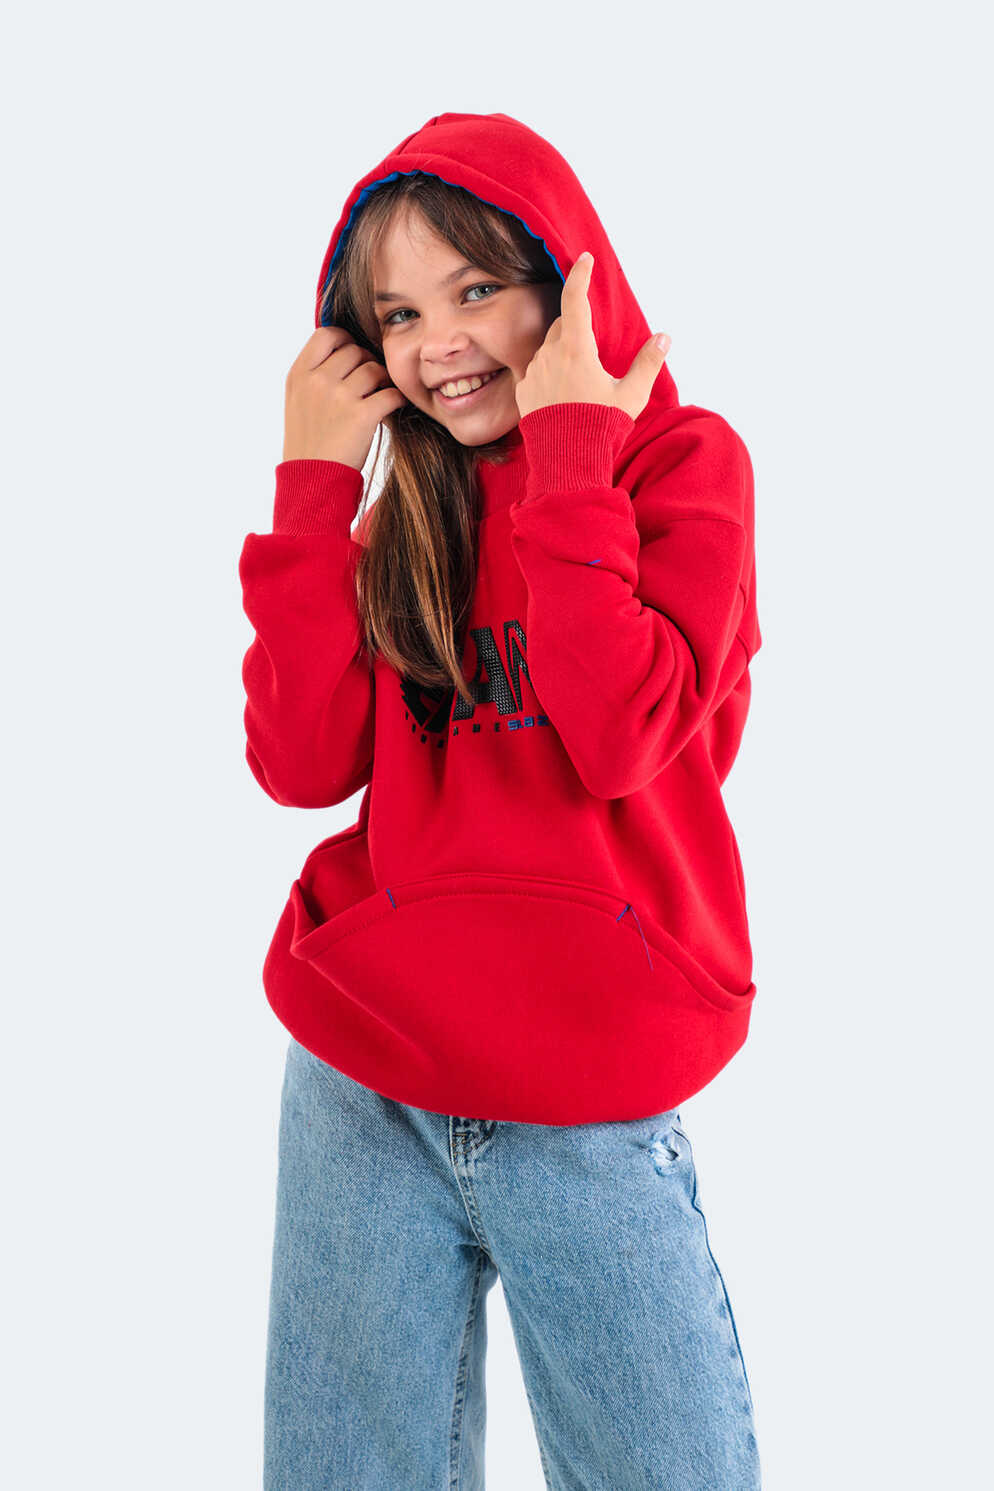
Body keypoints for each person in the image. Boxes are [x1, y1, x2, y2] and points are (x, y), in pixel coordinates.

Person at [238, 110, 763, 1490]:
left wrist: (574, 452)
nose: (438, 344)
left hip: (590, 1083)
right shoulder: (408, 509)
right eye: (399, 314)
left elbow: (622, 736)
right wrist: (313, 491)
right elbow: (300, 764)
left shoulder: (682, 468)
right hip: (367, 1079)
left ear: (571, 286)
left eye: (476, 288)